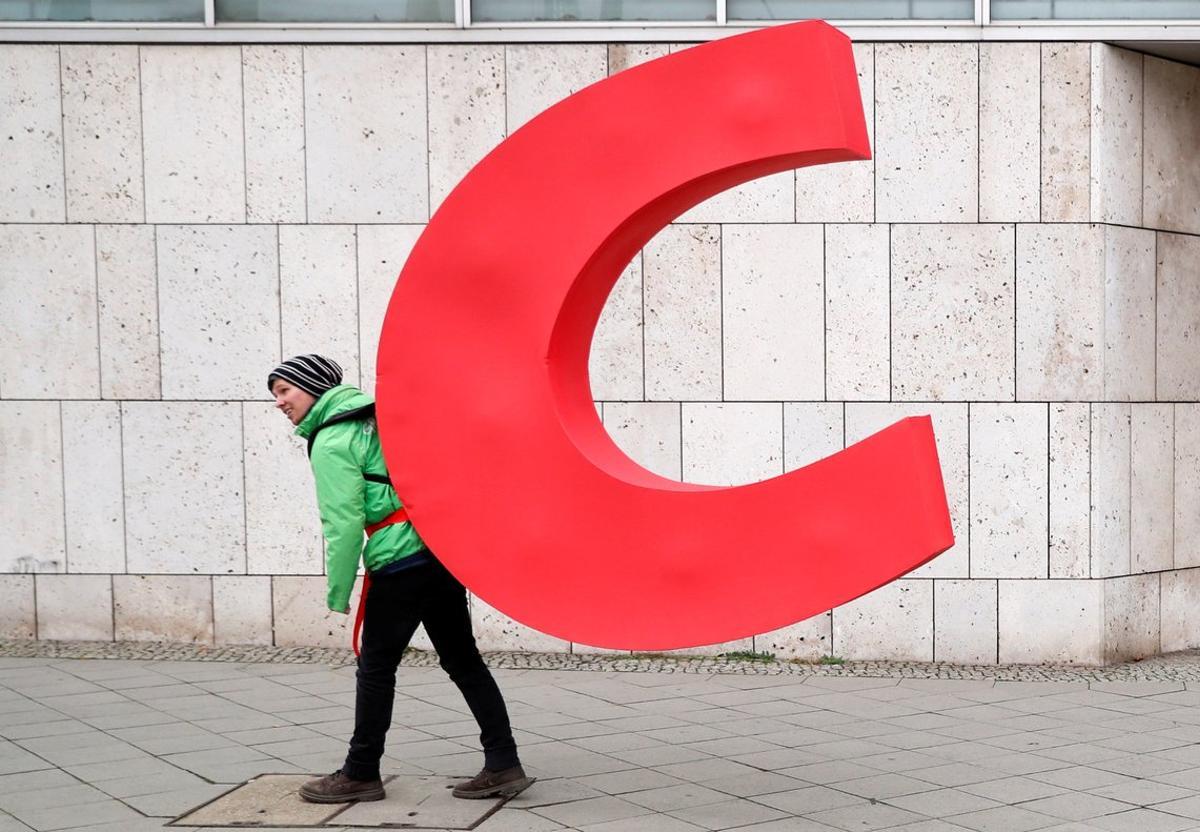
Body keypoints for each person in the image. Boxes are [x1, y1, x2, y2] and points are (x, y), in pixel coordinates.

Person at [267, 354, 531, 803]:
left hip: (398, 562)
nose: (279, 403)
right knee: (463, 660)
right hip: (436, 551)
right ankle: (504, 762)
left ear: (311, 387)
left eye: (284, 391)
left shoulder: (333, 440)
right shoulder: (381, 418)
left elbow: (343, 522)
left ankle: (360, 772)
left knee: (375, 669)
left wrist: (338, 589)